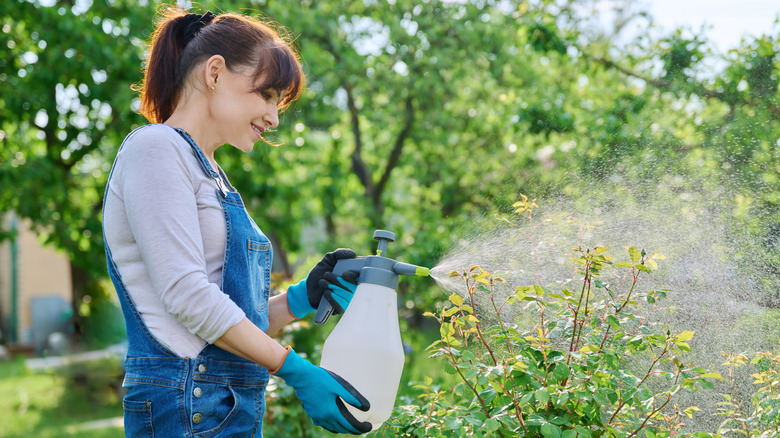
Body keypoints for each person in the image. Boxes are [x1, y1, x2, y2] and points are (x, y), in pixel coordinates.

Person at [102, 8, 370, 437]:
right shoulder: (155, 149)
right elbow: (188, 298)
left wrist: (302, 298)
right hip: (185, 406)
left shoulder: (211, 173)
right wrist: (297, 370)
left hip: (221, 406)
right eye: (267, 95)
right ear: (214, 73)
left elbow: (227, 323)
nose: (275, 118)